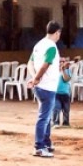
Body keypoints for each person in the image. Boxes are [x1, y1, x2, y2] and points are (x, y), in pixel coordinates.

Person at [27, 21, 62, 158]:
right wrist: (36, 78)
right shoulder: (51, 47)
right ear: (57, 32)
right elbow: (45, 65)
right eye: (59, 33)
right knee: (44, 117)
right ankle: (39, 147)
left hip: (40, 86)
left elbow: (30, 62)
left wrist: (34, 77)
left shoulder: (39, 45)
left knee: (46, 116)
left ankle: (46, 143)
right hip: (47, 86)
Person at [52, 58, 72, 127]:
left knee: (66, 109)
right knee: (56, 108)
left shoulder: (67, 70)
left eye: (63, 61)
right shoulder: (53, 71)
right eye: (60, 61)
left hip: (65, 93)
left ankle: (66, 123)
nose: (61, 63)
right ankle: (55, 122)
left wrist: (63, 70)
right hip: (56, 93)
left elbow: (66, 79)